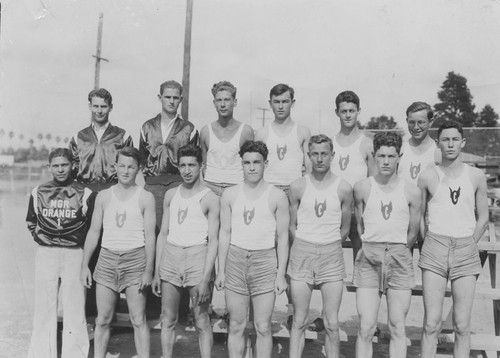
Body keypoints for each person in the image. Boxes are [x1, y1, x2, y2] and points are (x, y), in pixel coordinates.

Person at [418, 121, 488, 358]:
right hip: (434, 247)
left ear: (462, 142)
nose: (450, 144)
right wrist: (427, 241)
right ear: (438, 143)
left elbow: (484, 217)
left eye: (454, 139)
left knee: (462, 325)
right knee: (431, 323)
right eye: (445, 139)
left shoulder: (476, 175)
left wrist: (470, 243)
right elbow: (418, 216)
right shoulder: (428, 175)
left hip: (465, 249)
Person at [215, 140, 289, 358]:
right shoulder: (230, 195)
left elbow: (283, 237)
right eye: (247, 162)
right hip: (236, 260)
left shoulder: (277, 196)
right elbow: (224, 233)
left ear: (265, 163)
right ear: (242, 164)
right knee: (236, 325)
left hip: (265, 260)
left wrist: (280, 274)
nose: (252, 167)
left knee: (263, 326)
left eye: (257, 162)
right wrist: (221, 270)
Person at [81, 147, 156, 358]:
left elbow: (150, 236)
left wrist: (148, 270)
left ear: (138, 169)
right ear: (115, 167)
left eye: (131, 167)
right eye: (121, 166)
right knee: (102, 319)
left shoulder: (146, 197)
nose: (125, 171)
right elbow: (94, 232)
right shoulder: (104, 196)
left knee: (138, 318)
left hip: (135, 260)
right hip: (106, 260)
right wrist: (85, 265)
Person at [353, 132, 421, 358]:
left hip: (399, 256)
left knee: (397, 326)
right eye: (381, 155)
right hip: (370, 257)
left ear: (399, 157)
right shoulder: (362, 187)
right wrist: (373, 246)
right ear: (374, 156)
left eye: (391, 156)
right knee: (366, 327)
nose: (385, 161)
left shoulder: (411, 191)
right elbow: (360, 224)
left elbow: (413, 231)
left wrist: (399, 250)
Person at [26, 148, 95, 358]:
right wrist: (44, 239)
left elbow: (91, 227)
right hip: (47, 252)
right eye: (55, 165)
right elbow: (31, 222)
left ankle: (74, 354)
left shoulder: (85, 193)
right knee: (44, 307)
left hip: (74, 253)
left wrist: (74, 242)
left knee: (74, 309)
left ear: (72, 165)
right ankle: (40, 354)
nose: (60, 169)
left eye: (64, 165)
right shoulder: (38, 191)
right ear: (49, 167)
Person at [152, 144, 220, 358]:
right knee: (168, 318)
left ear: (202, 166)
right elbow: (163, 234)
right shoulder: (171, 194)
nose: (187, 170)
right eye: (182, 165)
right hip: (171, 256)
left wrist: (206, 277)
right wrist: (157, 271)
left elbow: (214, 240)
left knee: (201, 320)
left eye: (192, 165)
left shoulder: (210, 197)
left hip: (197, 257)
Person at [288, 135, 352, 358]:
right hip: (302, 252)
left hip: (331, 253)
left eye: (324, 153)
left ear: (332, 155)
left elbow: (345, 229)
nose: (319, 158)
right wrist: (306, 242)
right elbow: (291, 225)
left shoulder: (343, 188)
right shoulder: (297, 186)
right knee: (299, 319)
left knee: (332, 322)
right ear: (308, 156)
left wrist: (328, 243)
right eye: (314, 153)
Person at [139, 80, 199, 232]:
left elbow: (193, 163)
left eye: (175, 97)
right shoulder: (147, 127)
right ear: (160, 98)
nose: (171, 101)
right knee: (151, 230)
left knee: (177, 229)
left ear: (181, 99)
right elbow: (141, 159)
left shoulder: (189, 129)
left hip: (178, 184)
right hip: (152, 186)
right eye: (167, 97)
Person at [330, 90, 374, 261]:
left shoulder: (367, 144)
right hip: (334, 210)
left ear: (358, 111)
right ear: (337, 113)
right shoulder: (330, 143)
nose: (348, 115)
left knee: (362, 262)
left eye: (351, 111)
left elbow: (373, 183)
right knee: (331, 261)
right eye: (343, 111)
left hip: (359, 211)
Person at [69, 88, 134, 193]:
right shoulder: (79, 137)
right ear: (90, 107)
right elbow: (71, 169)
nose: (99, 111)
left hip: (113, 190)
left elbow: (130, 167)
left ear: (110, 107)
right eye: (95, 106)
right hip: (84, 191)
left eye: (103, 106)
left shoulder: (122, 136)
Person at [254, 83, 311, 194]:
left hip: (294, 189)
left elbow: (309, 168)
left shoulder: (303, 132)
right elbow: (256, 166)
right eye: (276, 102)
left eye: (284, 102)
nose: (280, 107)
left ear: (292, 103)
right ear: (270, 104)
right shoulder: (262, 133)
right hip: (268, 189)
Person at [200, 81, 254, 196]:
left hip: (236, 188)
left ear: (234, 102)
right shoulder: (205, 131)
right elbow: (204, 165)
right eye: (219, 100)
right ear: (214, 103)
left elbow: (250, 164)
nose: (223, 104)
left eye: (227, 100)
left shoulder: (246, 131)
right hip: (210, 187)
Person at [398, 101, 440, 185]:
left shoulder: (438, 150)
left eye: (420, 122)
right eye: (412, 122)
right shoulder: (400, 148)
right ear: (407, 121)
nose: (416, 127)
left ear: (431, 122)